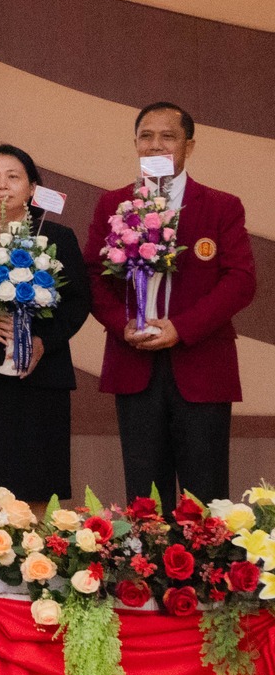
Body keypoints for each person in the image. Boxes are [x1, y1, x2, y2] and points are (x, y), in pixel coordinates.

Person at [86, 102, 257, 504]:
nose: (155, 145)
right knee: (145, 501)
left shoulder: (220, 206)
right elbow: (92, 275)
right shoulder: (113, 204)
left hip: (201, 365)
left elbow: (241, 281)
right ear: (135, 144)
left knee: (207, 498)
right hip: (135, 362)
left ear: (189, 146)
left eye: (168, 136)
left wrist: (182, 327)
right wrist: (121, 322)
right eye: (146, 136)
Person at [0, 143, 92, 502]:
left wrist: (44, 341)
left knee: (40, 487)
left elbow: (79, 301)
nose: (2, 185)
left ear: (33, 187)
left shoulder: (59, 237)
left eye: (13, 176)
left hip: (43, 378)